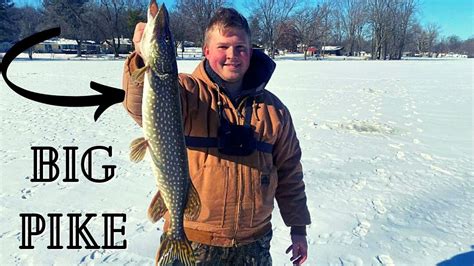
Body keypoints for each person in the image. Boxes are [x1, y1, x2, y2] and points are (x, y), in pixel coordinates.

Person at [122, 7, 311, 265]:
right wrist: (141, 60)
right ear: (206, 50)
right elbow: (139, 106)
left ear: (250, 51)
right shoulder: (187, 93)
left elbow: (290, 171)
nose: (232, 55)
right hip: (193, 238)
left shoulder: (274, 112)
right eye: (223, 47)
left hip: (253, 244)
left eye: (240, 48)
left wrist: (298, 228)